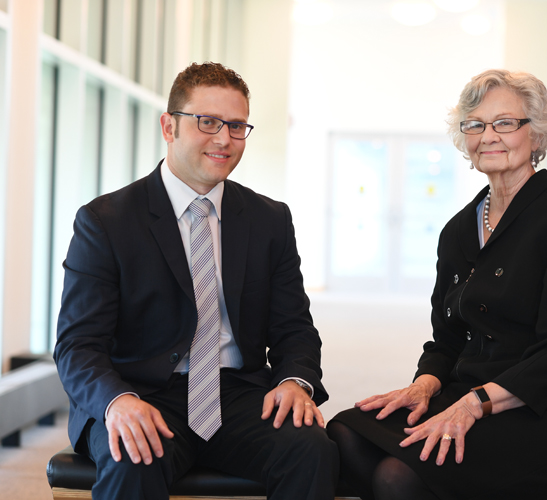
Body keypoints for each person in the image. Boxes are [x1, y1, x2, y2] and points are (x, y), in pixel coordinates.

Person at [327, 69, 547, 500]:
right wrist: (424, 385)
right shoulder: (459, 229)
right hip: (469, 395)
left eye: (505, 123)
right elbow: (446, 339)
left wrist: (474, 404)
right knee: (345, 432)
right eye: (475, 125)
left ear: (535, 135)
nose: (489, 136)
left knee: (399, 474)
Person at [54, 62, 338, 500]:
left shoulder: (270, 220)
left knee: (311, 449)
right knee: (133, 458)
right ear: (169, 126)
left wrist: (294, 382)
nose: (224, 138)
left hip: (239, 393)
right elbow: (78, 344)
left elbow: (294, 328)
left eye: (237, 125)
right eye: (207, 122)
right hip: (143, 394)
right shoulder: (105, 221)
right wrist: (117, 402)